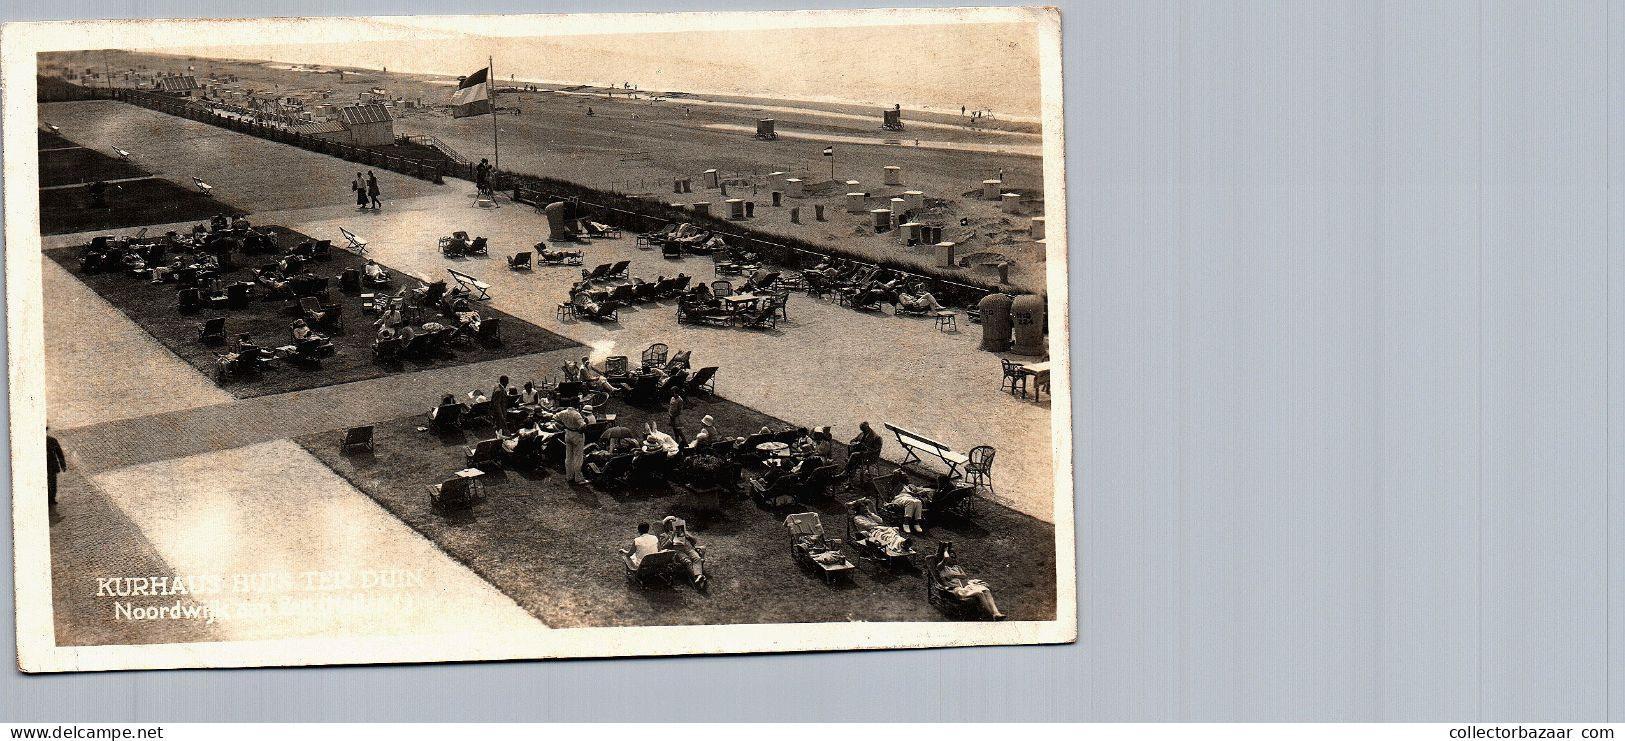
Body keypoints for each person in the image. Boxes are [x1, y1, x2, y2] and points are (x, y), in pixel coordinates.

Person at [932, 542, 1005, 619]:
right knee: (979, 593)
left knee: (986, 590)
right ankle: (990, 615)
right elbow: (946, 558)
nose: (951, 559)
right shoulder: (941, 568)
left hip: (964, 587)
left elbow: (964, 576)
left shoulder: (956, 567)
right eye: (950, 557)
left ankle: (996, 613)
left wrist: (954, 575)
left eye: (953, 557)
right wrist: (945, 550)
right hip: (955, 591)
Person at [659, 516, 706, 588]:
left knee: (697, 558)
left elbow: (694, 541)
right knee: (687, 561)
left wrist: (688, 536)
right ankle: (698, 577)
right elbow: (663, 547)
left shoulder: (682, 531)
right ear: (666, 525)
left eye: (674, 522)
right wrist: (671, 537)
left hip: (688, 548)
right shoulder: (663, 535)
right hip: (677, 550)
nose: (672, 524)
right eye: (670, 523)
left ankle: (699, 576)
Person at [554, 404, 589, 485]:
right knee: (578, 457)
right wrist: (582, 429)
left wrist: (563, 425)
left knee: (569, 456)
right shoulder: (576, 414)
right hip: (576, 434)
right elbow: (583, 426)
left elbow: (554, 417)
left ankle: (569, 476)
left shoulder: (563, 412)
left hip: (568, 433)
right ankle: (578, 478)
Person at [47, 429, 66, 508]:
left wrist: (63, 465)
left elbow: (59, 453)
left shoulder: (52, 440)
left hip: (51, 466)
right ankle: (49, 498)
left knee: (53, 482)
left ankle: (52, 498)